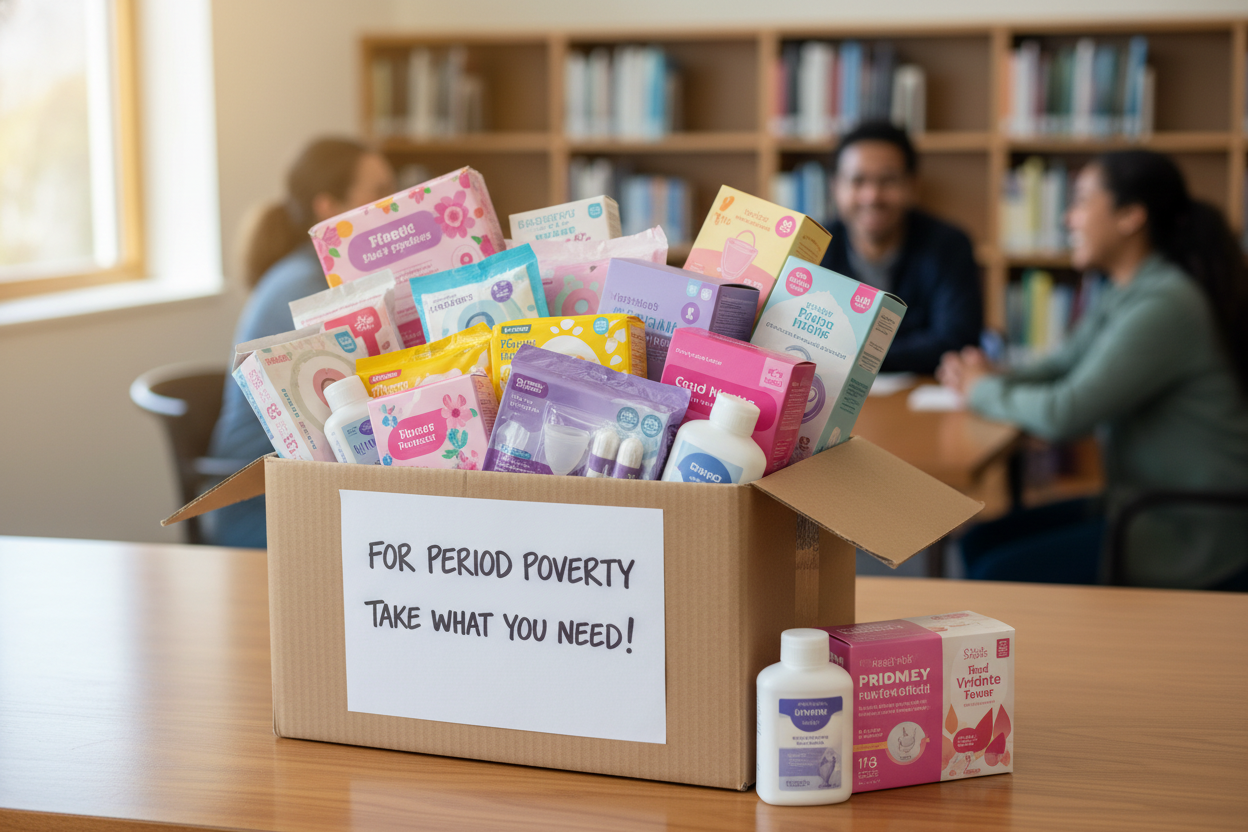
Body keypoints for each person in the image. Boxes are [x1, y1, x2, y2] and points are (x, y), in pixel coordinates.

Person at [939, 150, 1248, 590]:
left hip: (1193, 524)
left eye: (1082, 201)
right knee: (978, 543)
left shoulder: (1165, 304)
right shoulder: (1129, 290)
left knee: (995, 572)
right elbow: (1064, 366)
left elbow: (1067, 412)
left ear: (1130, 217)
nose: (1069, 218)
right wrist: (991, 376)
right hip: (1143, 504)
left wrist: (981, 390)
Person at [205, 138, 396, 548]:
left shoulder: (311, 276)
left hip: (299, 489)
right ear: (327, 207)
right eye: (379, 192)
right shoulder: (308, 290)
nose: (392, 204)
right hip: (264, 506)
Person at [821, 121, 982, 374]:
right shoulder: (816, 245)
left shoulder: (948, 246)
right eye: (858, 180)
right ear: (835, 188)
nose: (872, 196)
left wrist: (851, 358)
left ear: (912, 186)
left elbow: (957, 340)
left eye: (888, 180)